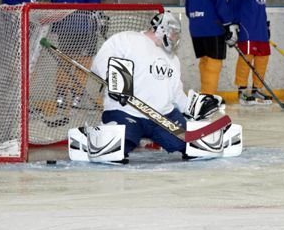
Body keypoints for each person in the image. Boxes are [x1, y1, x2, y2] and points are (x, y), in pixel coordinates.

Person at [81, 12, 240, 163]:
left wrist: (193, 106)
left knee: (193, 148)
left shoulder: (172, 59)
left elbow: (176, 94)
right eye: (173, 32)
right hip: (126, 111)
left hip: (163, 117)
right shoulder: (127, 39)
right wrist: (113, 78)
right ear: (161, 28)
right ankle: (95, 137)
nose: (174, 37)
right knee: (115, 150)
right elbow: (100, 61)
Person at [51, 0, 101, 108]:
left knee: (65, 58)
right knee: (84, 59)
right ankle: (77, 96)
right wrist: (98, 16)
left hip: (62, 21)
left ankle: (61, 96)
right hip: (82, 22)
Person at [184, 0, 238, 96]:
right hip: (213, 28)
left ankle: (205, 93)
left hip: (195, 29)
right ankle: (209, 96)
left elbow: (188, 9)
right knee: (214, 62)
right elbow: (221, 4)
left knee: (204, 61)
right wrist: (228, 25)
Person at [229, 0, 272, 105]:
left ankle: (257, 89)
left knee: (263, 58)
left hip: (259, 27)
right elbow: (233, 3)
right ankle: (242, 92)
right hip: (246, 27)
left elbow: (261, 7)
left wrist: (265, 25)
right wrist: (233, 24)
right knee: (246, 59)